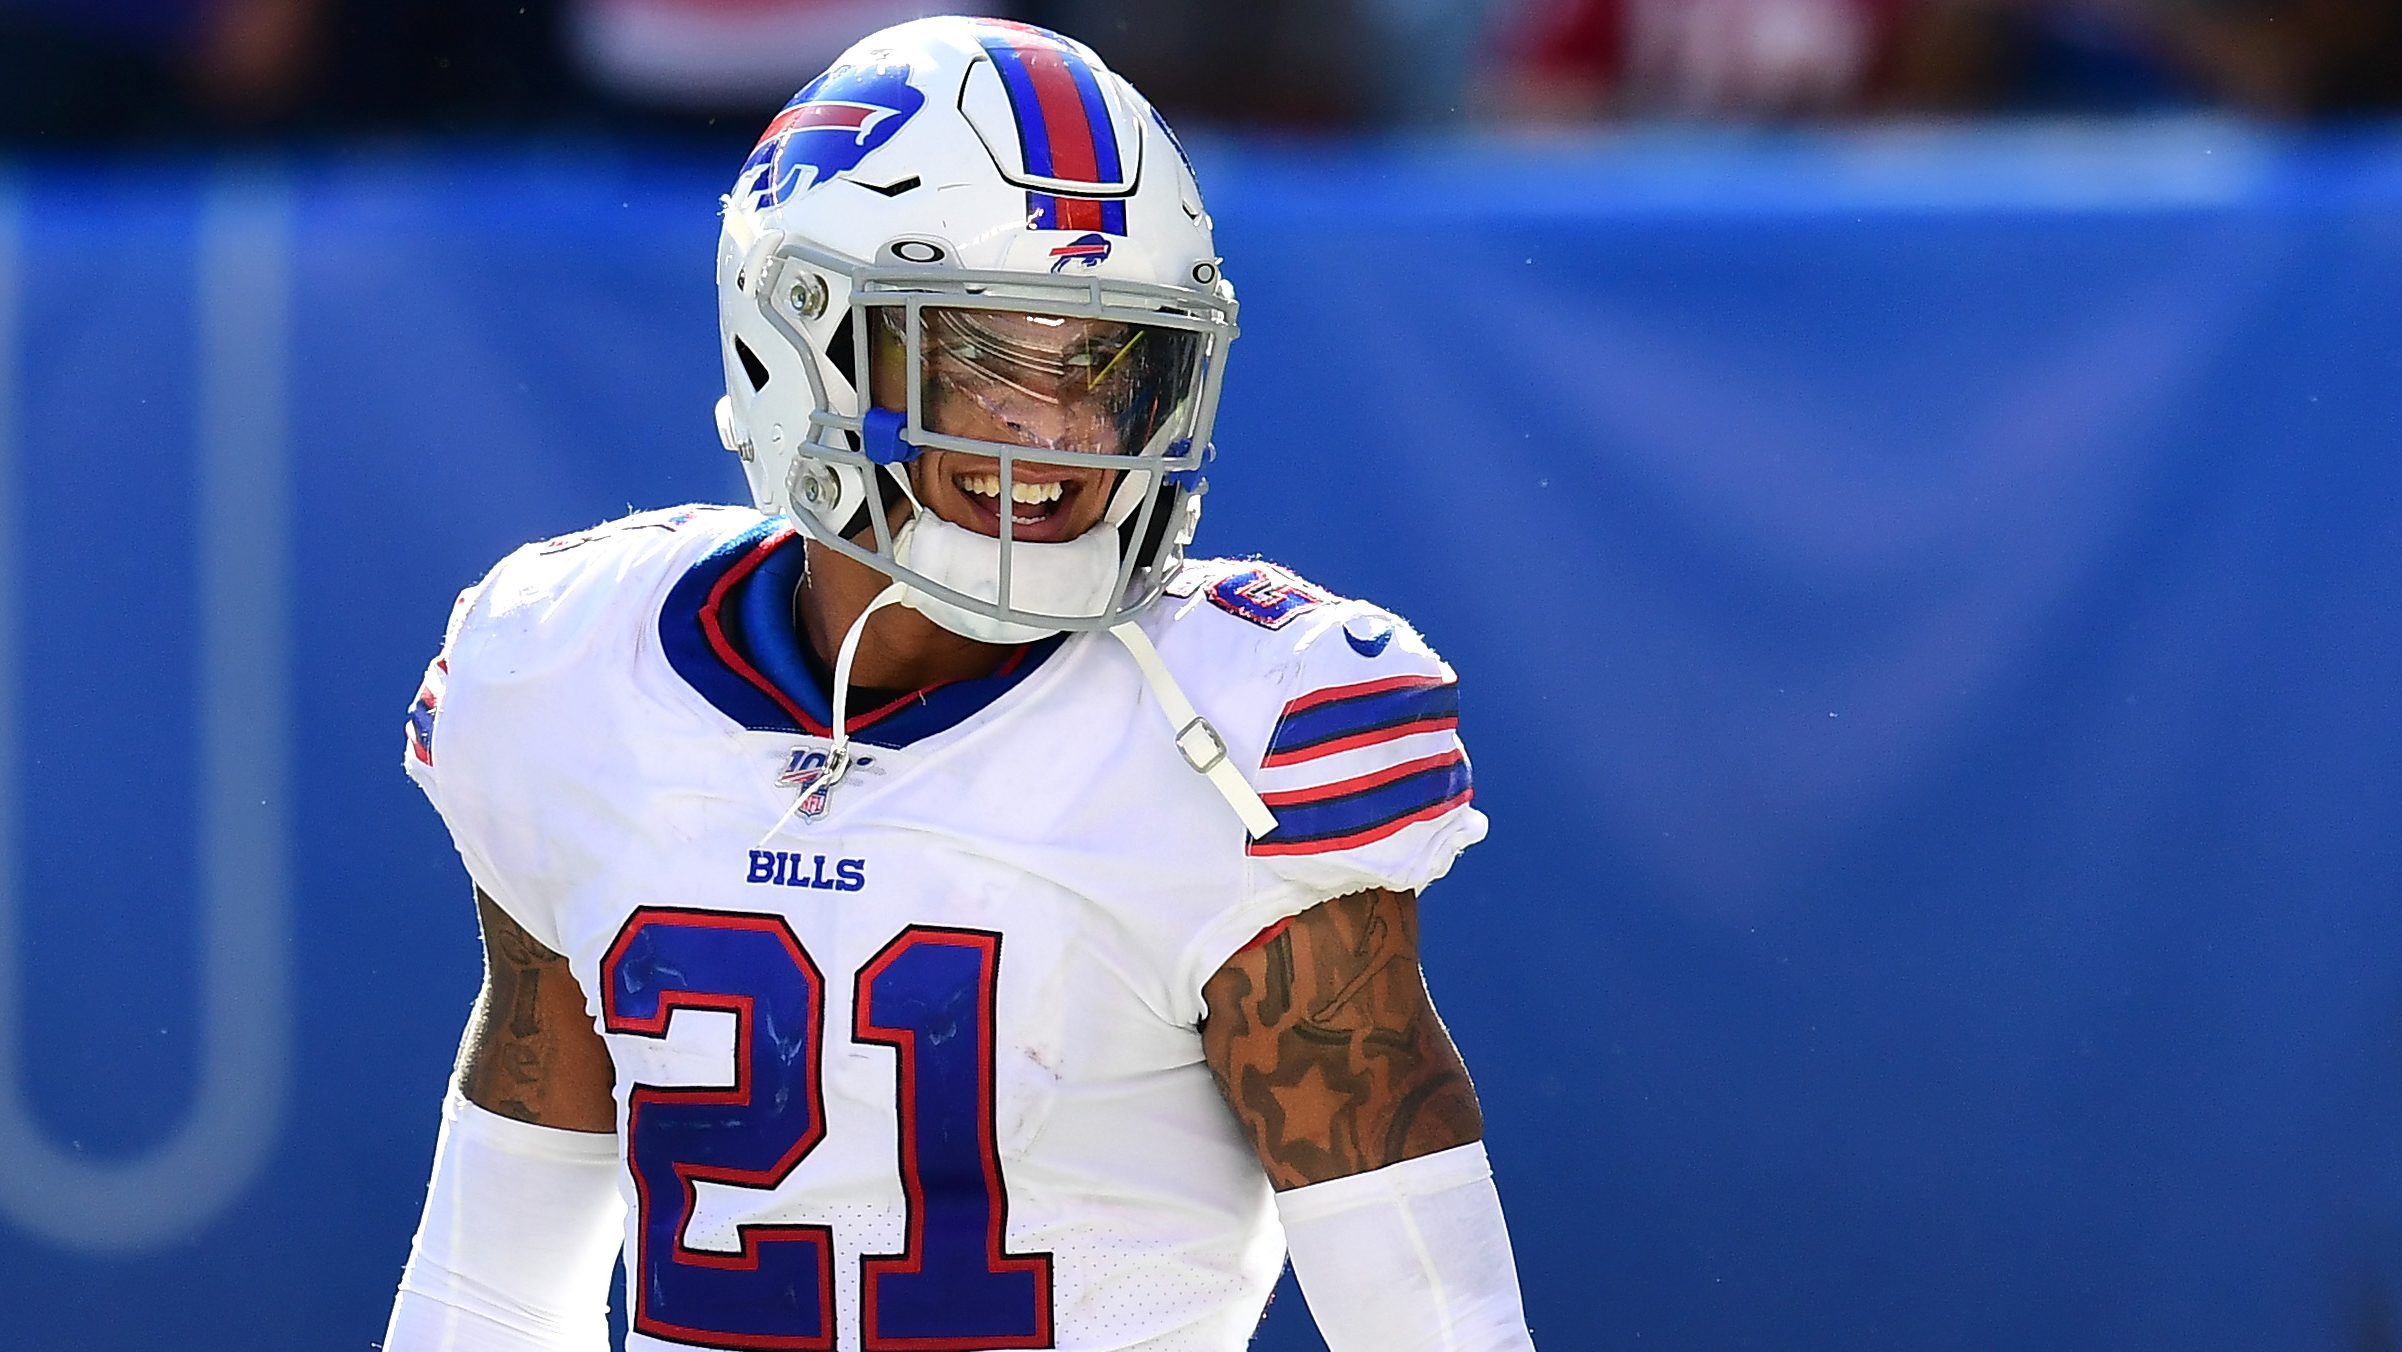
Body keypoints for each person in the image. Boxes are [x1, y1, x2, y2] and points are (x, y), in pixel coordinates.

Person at [383, 16, 1535, 1351]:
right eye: (980, 353)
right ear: (802, 345)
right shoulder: (577, 668)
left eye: (1111, 362)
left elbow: (1434, 1327)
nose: (1061, 434)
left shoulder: (1239, 729)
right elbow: (491, 1293)